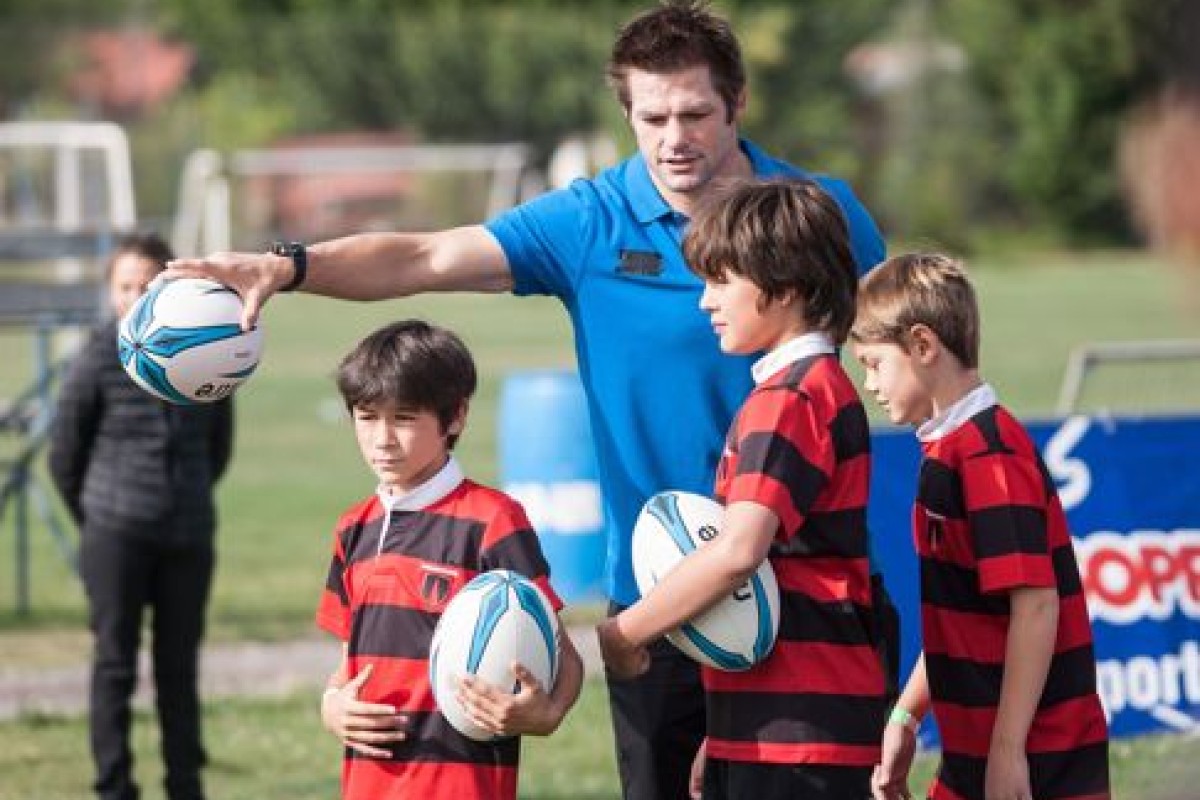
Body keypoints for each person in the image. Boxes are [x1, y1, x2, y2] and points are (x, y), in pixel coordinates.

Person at [167, 3, 893, 797]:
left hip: (808, 596)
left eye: (695, 113)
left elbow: (892, 341)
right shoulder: (590, 221)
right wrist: (289, 265)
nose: (674, 138)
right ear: (627, 113)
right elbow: (427, 253)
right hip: (657, 598)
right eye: (652, 117)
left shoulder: (816, 215)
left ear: (738, 103)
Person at [598, 178, 887, 800]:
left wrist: (623, 633)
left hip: (799, 727)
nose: (705, 302)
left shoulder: (787, 400)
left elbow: (737, 554)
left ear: (785, 286)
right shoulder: (815, 385)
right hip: (778, 718)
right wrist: (726, 732)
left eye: (721, 280)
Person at [850, 254, 1110, 800]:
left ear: (923, 346)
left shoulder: (990, 457)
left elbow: (1036, 605)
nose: (867, 382)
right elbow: (960, 618)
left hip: (1040, 761)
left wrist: (1009, 749)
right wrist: (906, 714)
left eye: (873, 363)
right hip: (973, 755)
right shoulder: (945, 450)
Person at [315, 319, 584, 800]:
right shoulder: (353, 528)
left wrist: (548, 712)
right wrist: (332, 705)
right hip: (367, 786)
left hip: (463, 784)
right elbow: (346, 664)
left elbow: (564, 655)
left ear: (455, 417)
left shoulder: (493, 520)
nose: (383, 439)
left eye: (404, 418)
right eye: (367, 416)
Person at [48, 232, 233, 800]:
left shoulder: (207, 349)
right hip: (114, 531)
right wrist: (102, 517)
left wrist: (187, 497)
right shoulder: (96, 356)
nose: (135, 296)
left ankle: (186, 784)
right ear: (110, 293)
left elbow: (218, 448)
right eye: (124, 286)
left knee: (179, 669)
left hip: (188, 534)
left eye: (147, 285)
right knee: (115, 666)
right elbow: (65, 455)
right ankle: (114, 785)